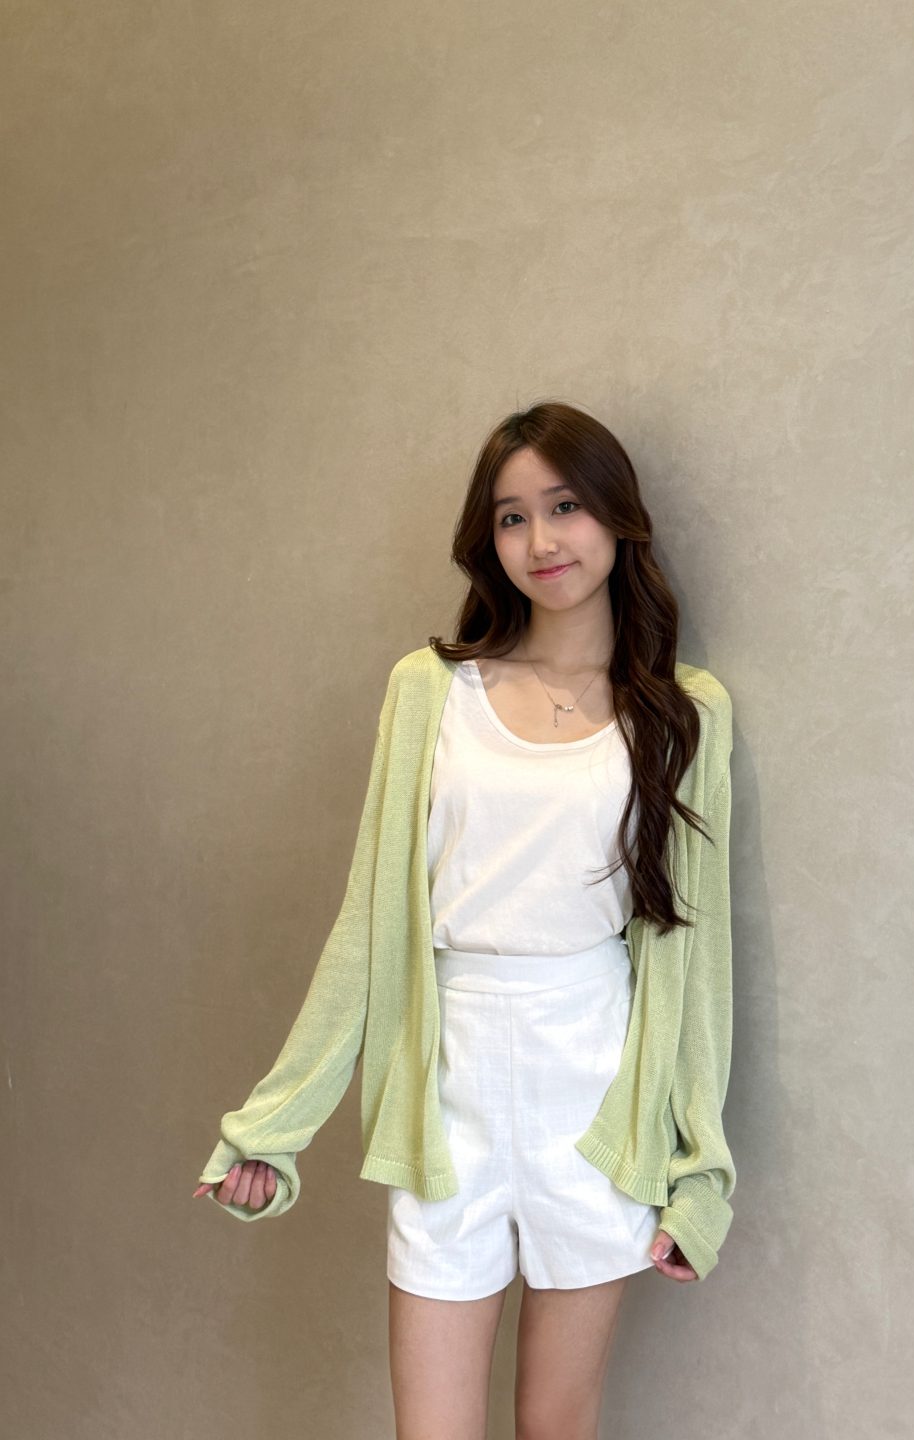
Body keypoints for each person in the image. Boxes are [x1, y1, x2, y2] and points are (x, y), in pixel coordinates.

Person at [193, 399, 736, 1440]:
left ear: (618, 516)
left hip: (598, 1093)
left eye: (565, 506)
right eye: (511, 517)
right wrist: (276, 1125)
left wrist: (697, 1170)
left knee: (556, 1425)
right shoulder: (432, 689)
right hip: (449, 1090)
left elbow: (694, 958)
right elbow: (371, 922)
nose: (542, 540)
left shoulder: (685, 710)